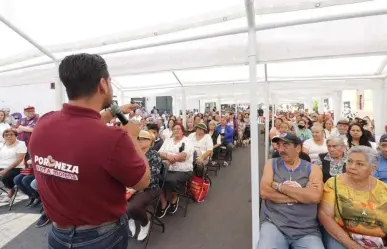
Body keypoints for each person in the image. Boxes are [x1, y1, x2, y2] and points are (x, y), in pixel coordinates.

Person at [28, 53, 150, 249]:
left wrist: (110, 113)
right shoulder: (114, 138)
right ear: (102, 84)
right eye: (110, 81)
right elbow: (143, 180)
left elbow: (80, 127)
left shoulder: (44, 123)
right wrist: (132, 137)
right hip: (102, 237)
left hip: (57, 235)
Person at [258, 132, 324, 249]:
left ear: (298, 148)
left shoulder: (313, 169)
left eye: (286, 145)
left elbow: (315, 197)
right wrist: (302, 196)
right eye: (279, 145)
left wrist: (279, 186)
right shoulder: (271, 164)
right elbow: (265, 192)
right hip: (275, 225)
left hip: (306, 230)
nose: (281, 149)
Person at [318, 146, 387, 249]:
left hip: (379, 240)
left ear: (372, 168)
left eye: (359, 164)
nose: (352, 167)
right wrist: (352, 245)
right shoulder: (334, 183)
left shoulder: (383, 189)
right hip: (343, 236)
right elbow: (325, 216)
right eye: (349, 161)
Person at [127, 130, 163, 241]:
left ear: (151, 141)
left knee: (133, 207)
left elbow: (153, 177)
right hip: (133, 185)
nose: (140, 140)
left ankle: (144, 223)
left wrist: (134, 188)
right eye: (138, 138)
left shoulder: (154, 155)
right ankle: (130, 218)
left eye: (144, 138)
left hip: (150, 187)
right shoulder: (133, 153)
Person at [0, 128, 27, 202]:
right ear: (3, 137)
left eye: (11, 135)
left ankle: (11, 190)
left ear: (16, 136)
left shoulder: (21, 144)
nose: (9, 137)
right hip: (1, 166)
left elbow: (19, 159)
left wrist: (6, 170)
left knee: (5, 177)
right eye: (6, 135)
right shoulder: (1, 145)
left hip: (16, 168)